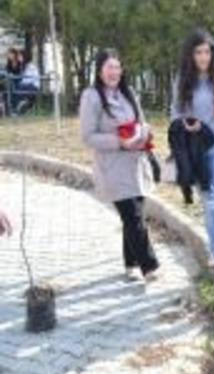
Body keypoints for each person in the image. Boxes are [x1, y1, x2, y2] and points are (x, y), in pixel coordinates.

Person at [79, 49, 160, 282]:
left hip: (136, 164)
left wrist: (145, 133)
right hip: (112, 166)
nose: (114, 72)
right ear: (99, 70)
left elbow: (142, 122)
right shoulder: (91, 96)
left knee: (133, 215)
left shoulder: (129, 92)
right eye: (109, 67)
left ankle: (131, 263)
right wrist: (119, 142)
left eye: (117, 67)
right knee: (132, 216)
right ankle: (150, 266)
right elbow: (87, 136)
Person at [170, 29, 214, 272]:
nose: (203, 57)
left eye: (207, 51)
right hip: (195, 151)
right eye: (198, 52)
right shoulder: (182, 81)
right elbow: (175, 114)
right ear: (190, 54)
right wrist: (187, 123)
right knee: (208, 203)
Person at [13, 49, 40, 114]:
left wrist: (21, 83)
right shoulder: (23, 66)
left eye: (20, 56)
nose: (18, 58)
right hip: (28, 85)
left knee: (18, 87)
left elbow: (29, 79)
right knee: (16, 87)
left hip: (33, 86)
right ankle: (22, 105)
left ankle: (21, 106)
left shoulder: (30, 66)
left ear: (24, 57)